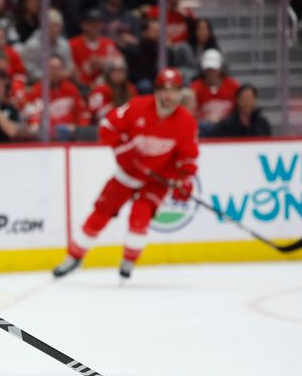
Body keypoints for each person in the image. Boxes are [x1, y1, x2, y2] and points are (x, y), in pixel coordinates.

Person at [53, 68, 199, 279]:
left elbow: (188, 157)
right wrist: (127, 153)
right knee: (101, 213)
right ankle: (74, 256)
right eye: (165, 90)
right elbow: (107, 127)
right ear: (157, 91)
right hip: (127, 174)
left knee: (140, 216)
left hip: (156, 181)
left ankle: (129, 260)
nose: (169, 96)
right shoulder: (138, 106)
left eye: (174, 91)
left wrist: (183, 180)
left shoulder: (186, 122)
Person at [189, 48, 240, 136]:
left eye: (214, 70)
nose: (211, 73)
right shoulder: (195, 88)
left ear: (220, 69)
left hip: (228, 127)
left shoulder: (233, 86)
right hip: (203, 128)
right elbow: (191, 112)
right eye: (208, 70)